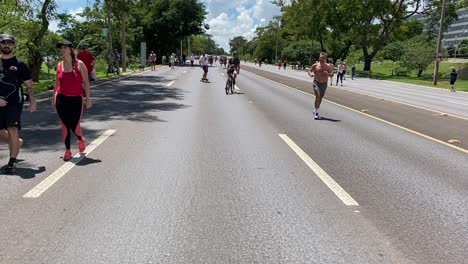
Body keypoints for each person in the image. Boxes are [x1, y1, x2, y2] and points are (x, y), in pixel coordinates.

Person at [0, 34, 36, 173]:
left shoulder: (20, 63)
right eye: (3, 42)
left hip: (15, 101)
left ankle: (12, 161)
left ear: (14, 45)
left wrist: (32, 100)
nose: (6, 45)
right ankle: (16, 142)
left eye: (9, 42)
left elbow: (29, 84)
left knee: (12, 129)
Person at [52, 40, 92, 161]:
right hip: (61, 98)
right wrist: (53, 99)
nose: (63, 50)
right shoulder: (59, 65)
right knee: (64, 125)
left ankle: (80, 139)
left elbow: (86, 83)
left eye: (65, 47)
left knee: (75, 125)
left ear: (71, 50)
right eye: (61, 48)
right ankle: (68, 150)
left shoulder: (79, 65)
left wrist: (88, 99)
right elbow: (56, 83)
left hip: (76, 99)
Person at [308, 52, 334, 120]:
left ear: (325, 58)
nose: (321, 59)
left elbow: (332, 75)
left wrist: (327, 74)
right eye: (320, 57)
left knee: (320, 98)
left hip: (324, 84)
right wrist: (311, 74)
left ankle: (316, 109)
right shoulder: (315, 65)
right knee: (318, 95)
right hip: (316, 82)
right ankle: (316, 112)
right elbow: (310, 70)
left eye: (322, 58)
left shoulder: (328, 66)